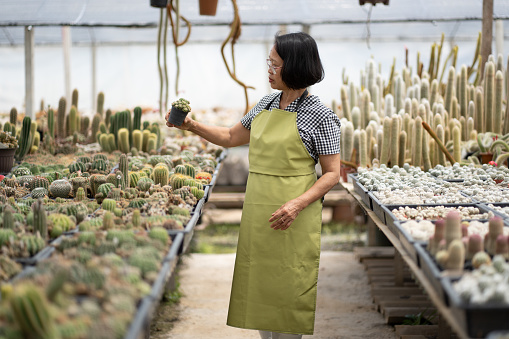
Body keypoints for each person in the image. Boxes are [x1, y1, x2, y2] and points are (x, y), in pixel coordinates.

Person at [166, 32, 341, 339]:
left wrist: (297, 204)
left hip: (293, 216)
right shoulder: (265, 103)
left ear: (295, 67)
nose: (269, 70)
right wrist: (190, 125)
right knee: (260, 287)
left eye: (275, 64)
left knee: (288, 288)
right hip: (259, 209)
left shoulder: (321, 116)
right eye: (268, 63)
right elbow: (231, 137)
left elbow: (331, 174)